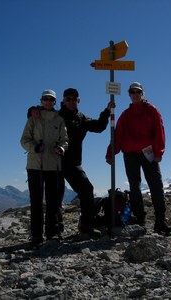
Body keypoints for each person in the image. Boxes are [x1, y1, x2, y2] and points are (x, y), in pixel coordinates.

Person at [106, 82, 171, 235]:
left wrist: (159, 152)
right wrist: (111, 152)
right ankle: (139, 220)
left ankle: (160, 221)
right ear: (129, 94)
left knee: (156, 185)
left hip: (148, 152)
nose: (135, 94)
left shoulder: (152, 110)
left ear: (142, 93)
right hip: (130, 154)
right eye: (132, 92)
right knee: (134, 187)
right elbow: (118, 136)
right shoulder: (125, 115)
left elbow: (159, 131)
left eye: (138, 91)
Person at [59, 88, 114, 238]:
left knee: (87, 189)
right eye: (68, 99)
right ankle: (54, 232)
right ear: (63, 101)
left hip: (73, 164)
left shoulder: (81, 118)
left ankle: (86, 226)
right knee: (56, 196)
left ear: (78, 100)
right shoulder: (56, 117)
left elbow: (99, 126)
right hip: (55, 163)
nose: (71, 101)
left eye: (73, 99)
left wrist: (107, 111)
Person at [20, 89, 68, 244]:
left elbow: (65, 139)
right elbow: (24, 139)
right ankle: (36, 235)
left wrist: (61, 148)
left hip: (53, 165)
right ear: (41, 101)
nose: (48, 102)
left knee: (53, 201)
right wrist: (34, 147)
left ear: (55, 101)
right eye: (45, 99)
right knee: (36, 201)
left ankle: (52, 233)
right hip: (35, 165)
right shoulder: (33, 118)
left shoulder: (59, 119)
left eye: (51, 99)